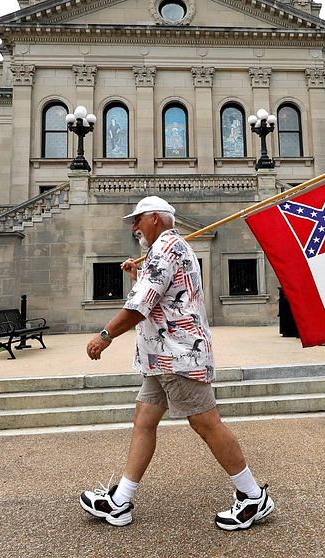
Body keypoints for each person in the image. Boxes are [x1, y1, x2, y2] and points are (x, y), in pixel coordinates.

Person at [80, 196, 275, 531]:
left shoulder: (166, 248)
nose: (134, 226)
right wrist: (138, 274)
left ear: (155, 218)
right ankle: (121, 501)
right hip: (161, 356)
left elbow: (140, 306)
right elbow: (162, 295)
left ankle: (253, 496)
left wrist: (105, 335)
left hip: (178, 356)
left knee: (206, 424)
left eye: (138, 219)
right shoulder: (168, 249)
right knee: (144, 419)